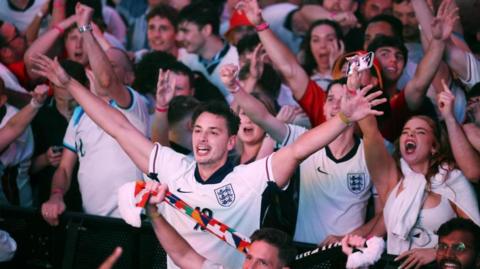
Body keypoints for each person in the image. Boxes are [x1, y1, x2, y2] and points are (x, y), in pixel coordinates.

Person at [32, 51, 385, 268]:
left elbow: (296, 149)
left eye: (213, 132)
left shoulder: (247, 179)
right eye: (198, 130)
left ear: (232, 140)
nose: (202, 138)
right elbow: (118, 127)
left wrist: (343, 118)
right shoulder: (173, 167)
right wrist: (70, 83)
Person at [222, 63, 383, 246]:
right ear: (323, 108)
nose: (336, 104)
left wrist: (353, 237)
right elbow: (263, 117)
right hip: (302, 252)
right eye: (330, 98)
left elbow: (384, 213)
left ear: (357, 102)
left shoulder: (369, 152)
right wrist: (235, 88)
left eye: (345, 97)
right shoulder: (303, 140)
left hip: (348, 255)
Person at [38, 3, 149, 223]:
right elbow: (65, 170)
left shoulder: (133, 103)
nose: (101, 69)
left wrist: (85, 28)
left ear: (129, 77)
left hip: (133, 222)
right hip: (93, 222)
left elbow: (107, 81)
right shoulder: (80, 115)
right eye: (99, 63)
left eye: (111, 65)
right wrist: (56, 196)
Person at [358, 100, 480, 269]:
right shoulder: (395, 180)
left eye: (420, 132)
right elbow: (370, 133)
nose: (410, 136)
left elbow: (475, 233)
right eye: (405, 132)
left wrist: (436, 251)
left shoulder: (452, 179)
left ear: (434, 147)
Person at [177, 2, 239, 102]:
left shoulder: (238, 60)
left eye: (185, 31)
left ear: (206, 30)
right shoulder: (185, 60)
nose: (179, 37)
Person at [0, 82, 48, 206]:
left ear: (2, 100)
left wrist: (35, 104)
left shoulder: (13, 116)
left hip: (13, 194)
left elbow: (12, 127)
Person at [302, 20, 345, 90]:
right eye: (316, 40)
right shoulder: (302, 75)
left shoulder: (352, 73)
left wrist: (336, 68)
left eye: (330, 39)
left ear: (340, 43)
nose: (322, 45)